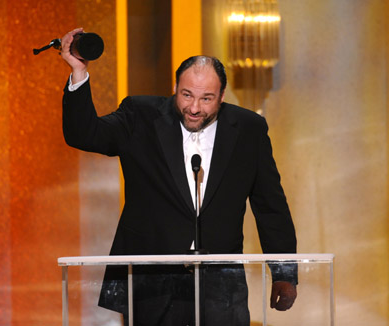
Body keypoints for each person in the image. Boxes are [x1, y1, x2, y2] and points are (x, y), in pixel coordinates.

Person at [60, 28, 298, 325]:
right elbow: (85, 134)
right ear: (175, 87)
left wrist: (284, 272)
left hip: (221, 286)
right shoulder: (140, 116)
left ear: (222, 96)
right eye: (186, 95)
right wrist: (79, 72)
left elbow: (270, 205)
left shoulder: (249, 129)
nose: (194, 108)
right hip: (152, 281)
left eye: (207, 98)